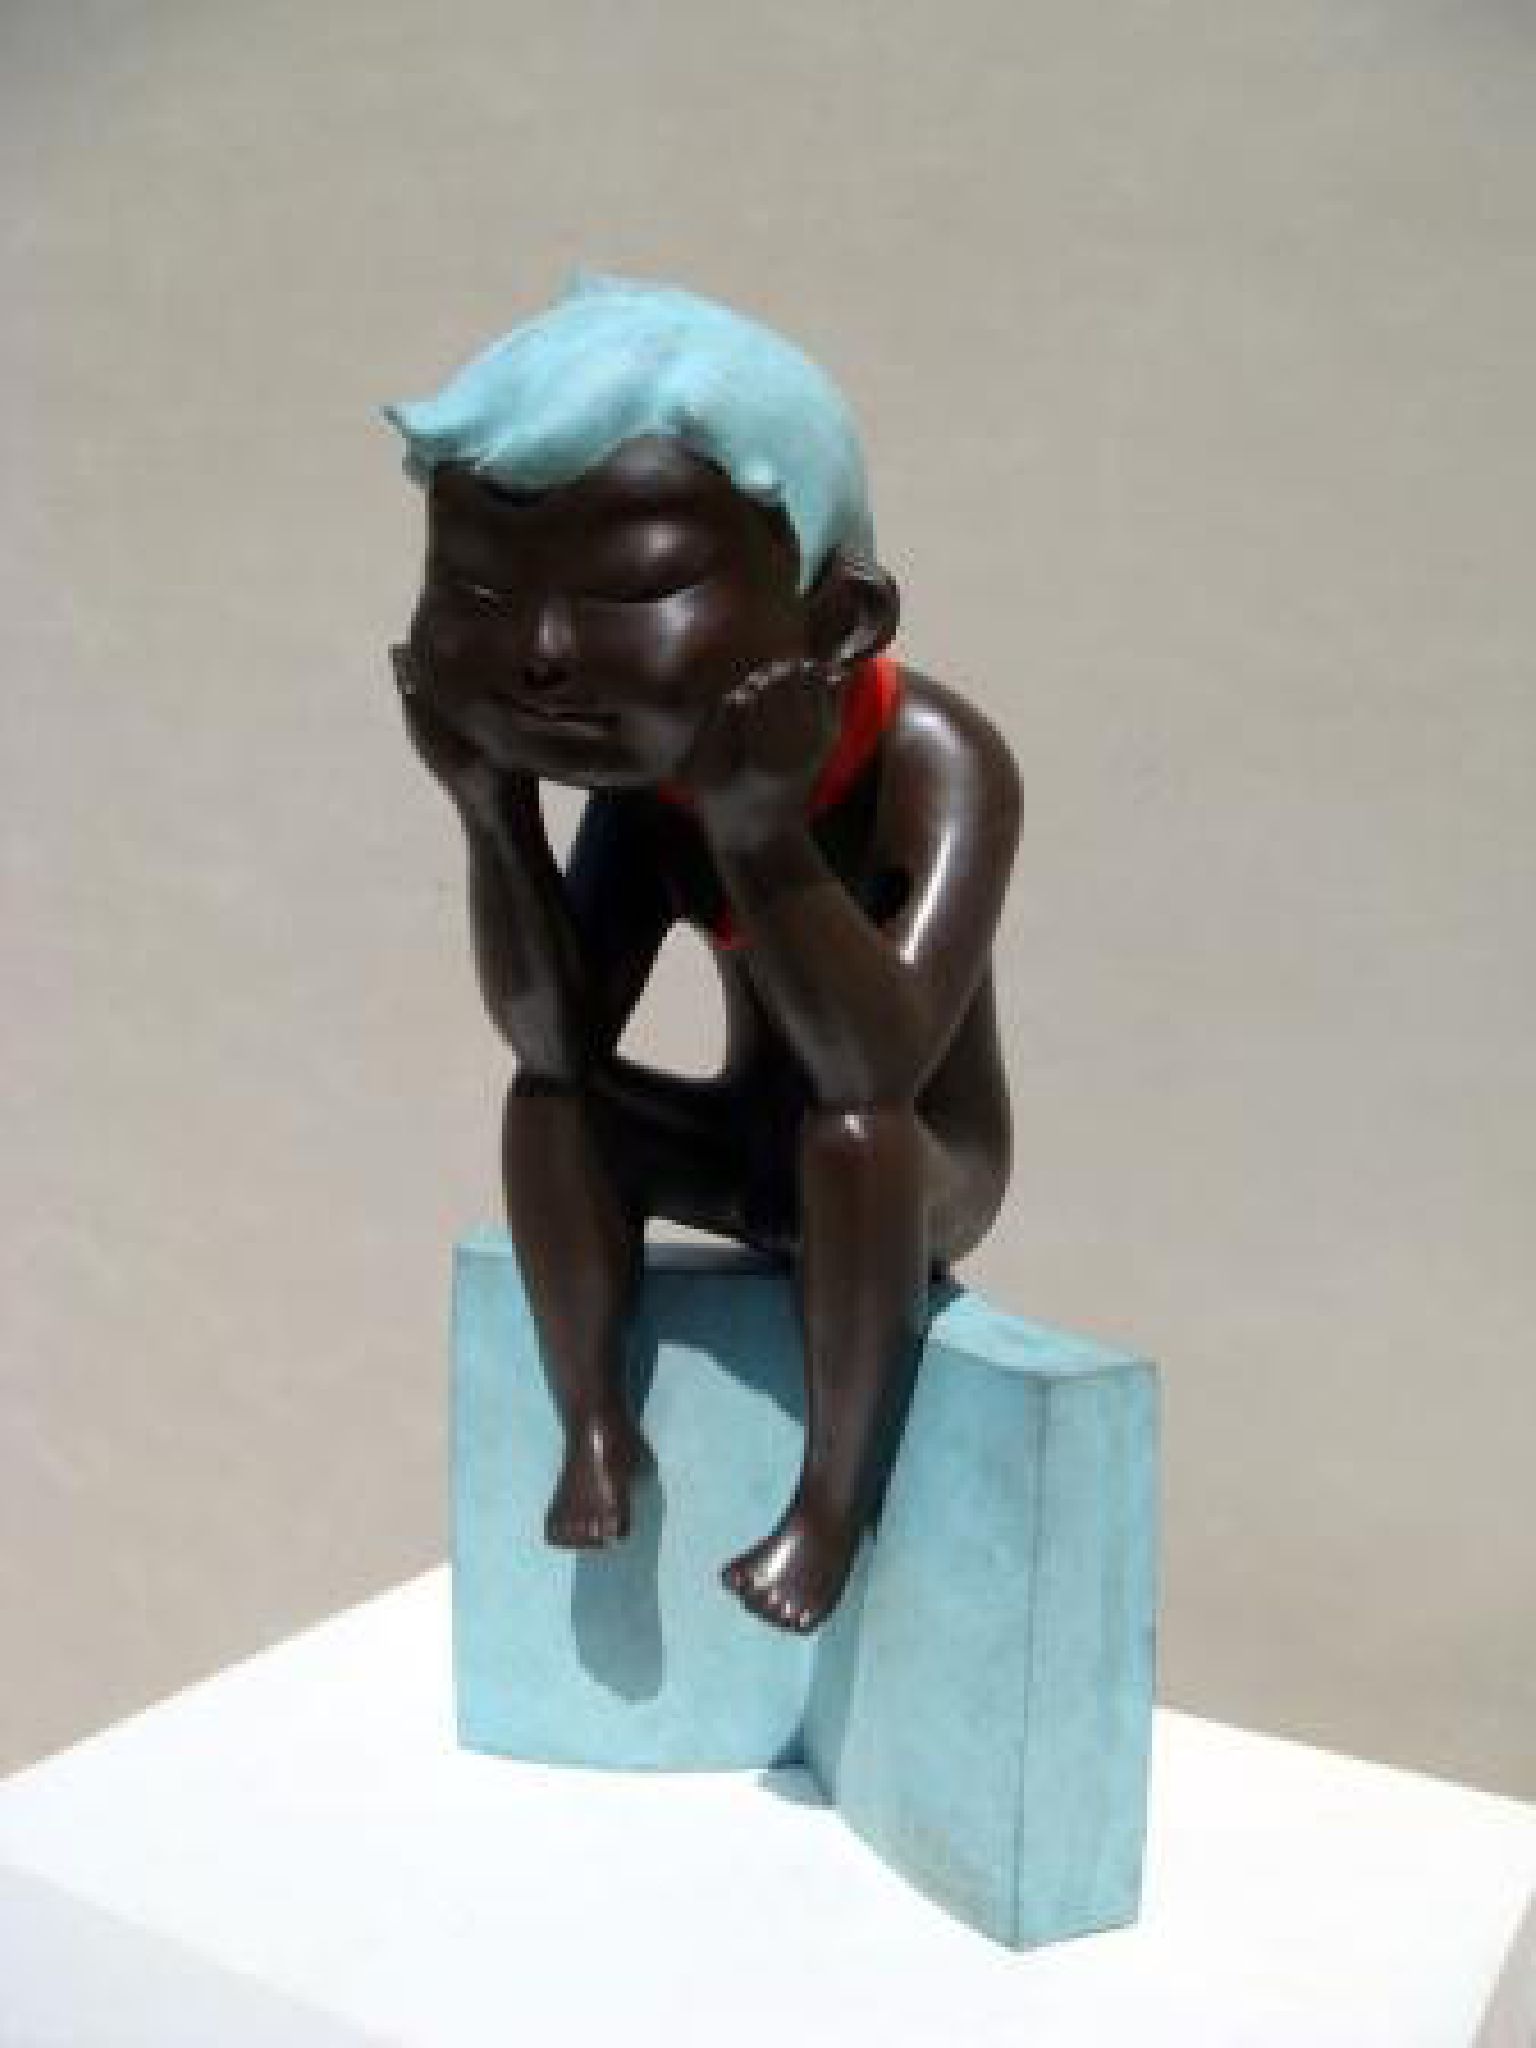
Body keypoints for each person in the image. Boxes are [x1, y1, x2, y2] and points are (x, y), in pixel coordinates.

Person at [386, 276, 1021, 1633]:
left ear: (840, 622)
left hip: (917, 1173)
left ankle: (832, 1508)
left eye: (631, 592)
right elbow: (556, 1034)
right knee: (552, 1098)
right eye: (484, 590)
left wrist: (762, 836)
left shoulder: (944, 767)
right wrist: (492, 815)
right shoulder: (652, 795)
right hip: (748, 1151)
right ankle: (594, 1426)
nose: (543, 654)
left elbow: (881, 1064)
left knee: (853, 1137)